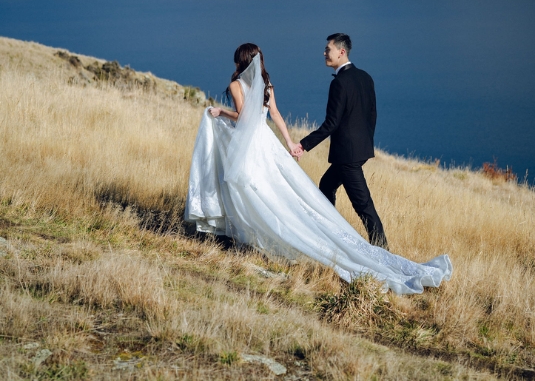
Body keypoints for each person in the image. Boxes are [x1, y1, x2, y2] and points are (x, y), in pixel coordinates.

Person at [186, 42, 451, 294]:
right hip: (267, 142)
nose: (324, 52)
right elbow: (275, 114)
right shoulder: (266, 83)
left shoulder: (236, 84)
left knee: (250, 189)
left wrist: (220, 112)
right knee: (274, 191)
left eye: (328, 48)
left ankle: (249, 236)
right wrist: (289, 142)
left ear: (240, 60)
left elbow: (243, 117)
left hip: (251, 145)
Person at [292, 33, 388, 249]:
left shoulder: (340, 83)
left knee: (363, 205)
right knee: (326, 185)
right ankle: (329, 235)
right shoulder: (365, 77)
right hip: (359, 150)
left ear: (341, 52)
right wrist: (365, 142)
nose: (324, 53)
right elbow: (372, 115)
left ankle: (383, 250)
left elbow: (331, 123)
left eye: (328, 49)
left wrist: (303, 145)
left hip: (348, 155)